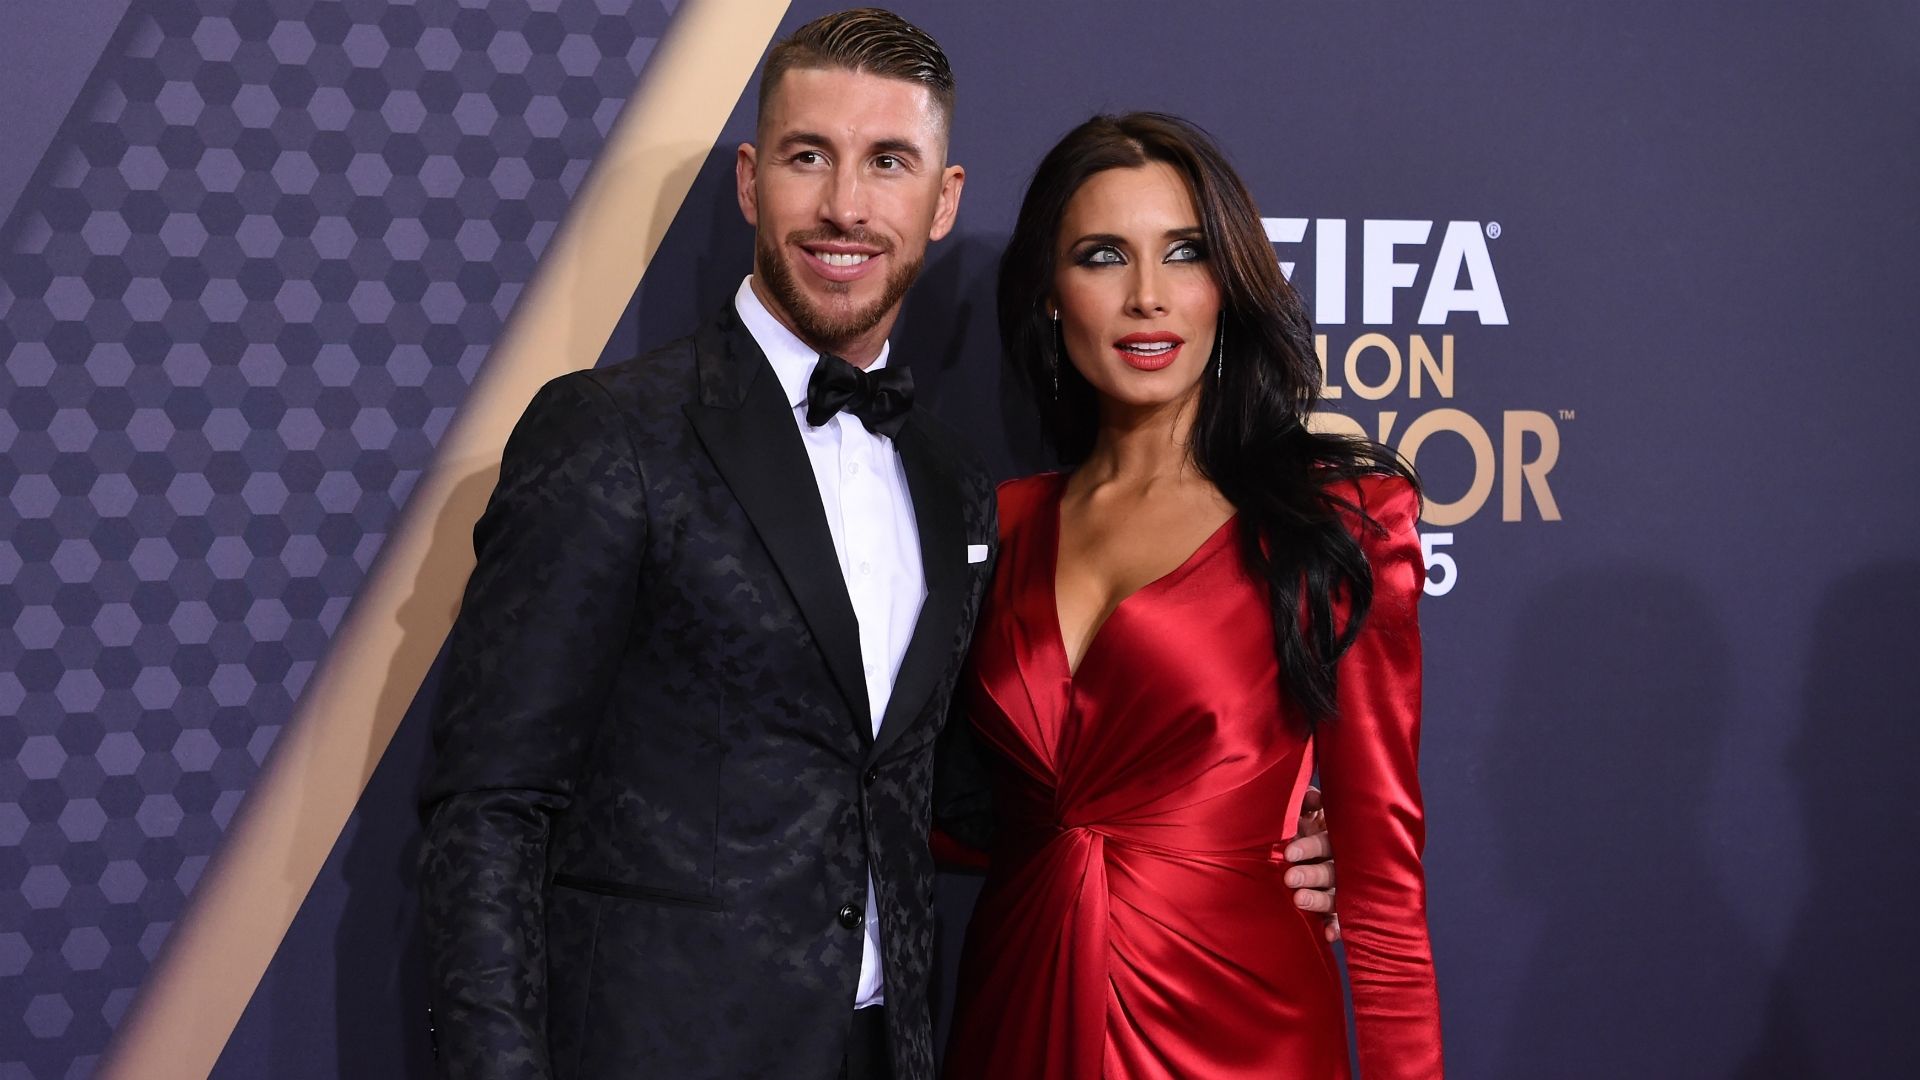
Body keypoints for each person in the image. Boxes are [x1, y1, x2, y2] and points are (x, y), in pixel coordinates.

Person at [419, 9, 1339, 1078]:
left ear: (943, 200)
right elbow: (489, 807)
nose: (846, 206)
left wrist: (1246, 836)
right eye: (809, 157)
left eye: (889, 161)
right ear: (751, 182)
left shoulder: (949, 485)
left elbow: (952, 792)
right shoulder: (613, 432)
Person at [938, 113, 1442, 1079]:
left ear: (1228, 286)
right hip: (1013, 1012)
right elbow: (941, 804)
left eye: (1185, 253)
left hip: (1239, 1032)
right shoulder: (998, 525)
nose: (1147, 297)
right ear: (1049, 296)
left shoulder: (1338, 520)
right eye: (1102, 256)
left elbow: (1384, 898)